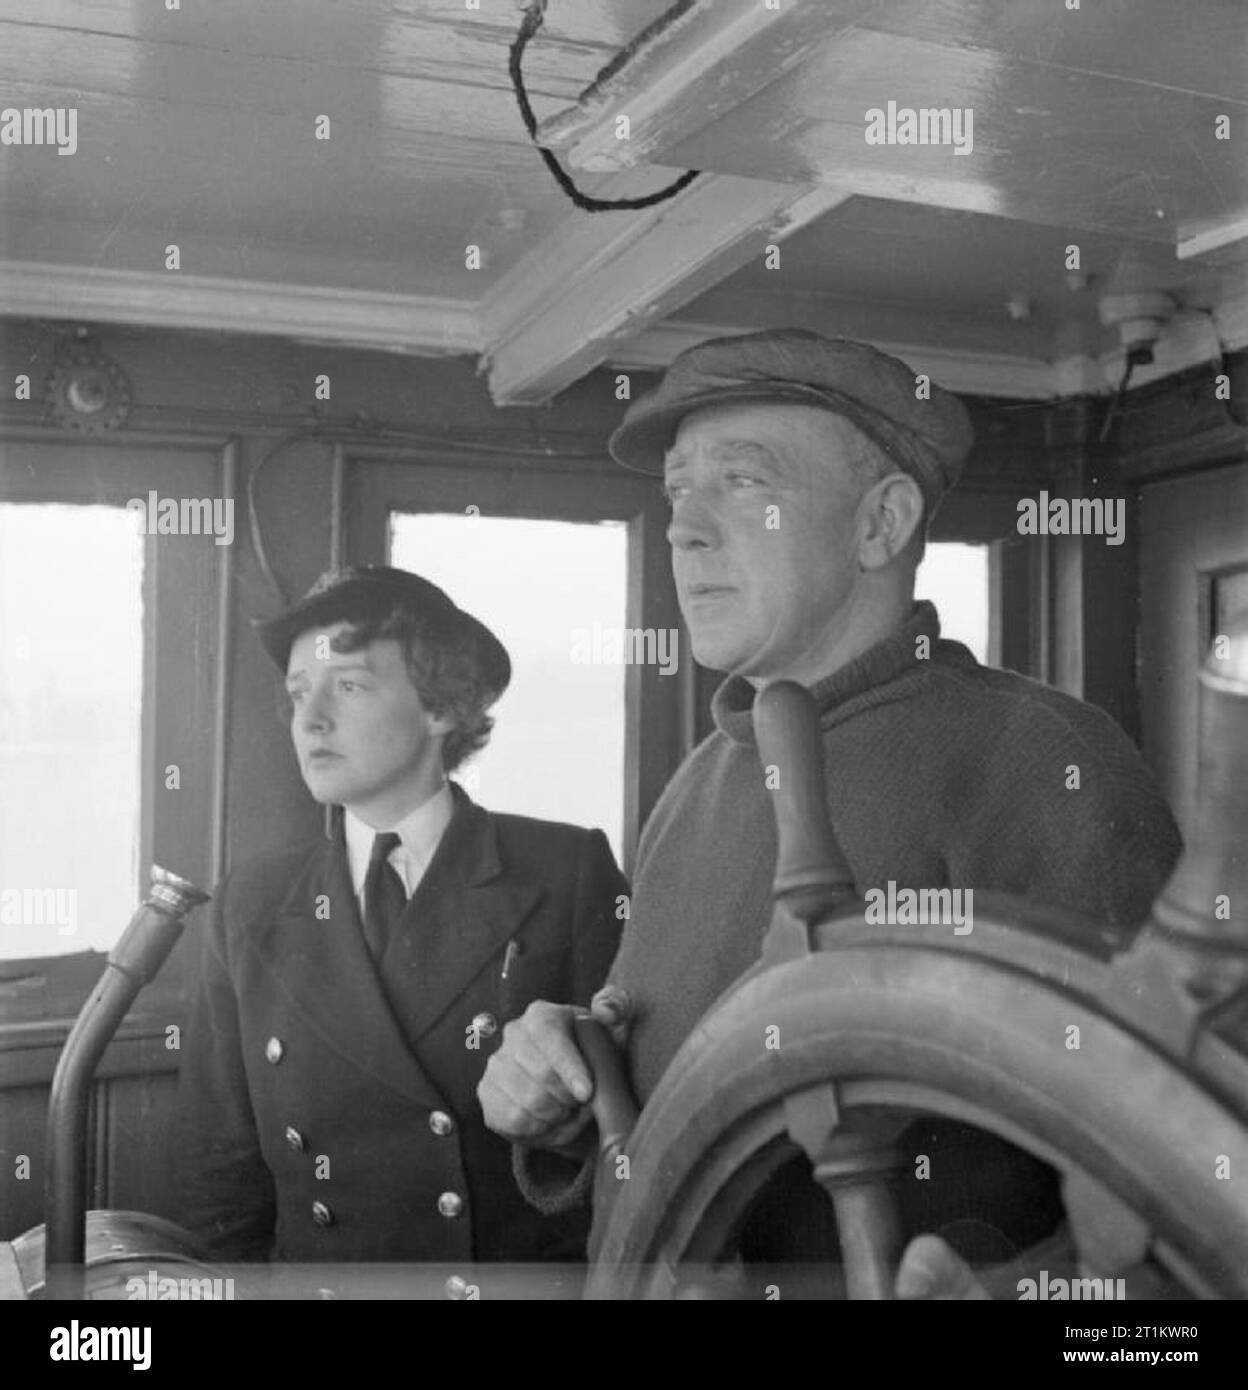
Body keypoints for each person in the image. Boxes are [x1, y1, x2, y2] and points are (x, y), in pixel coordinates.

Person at [478, 328, 1183, 1298]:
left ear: (879, 524)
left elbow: (1192, 1165)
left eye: (740, 481)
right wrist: (562, 1076)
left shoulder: (1044, 759)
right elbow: (662, 1069)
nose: (682, 528)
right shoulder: (698, 781)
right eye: (678, 490)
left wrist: (1024, 1292)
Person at [174, 565, 626, 1291]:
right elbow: (217, 1176)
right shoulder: (249, 904)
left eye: (347, 687)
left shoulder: (566, 871)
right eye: (298, 695)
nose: (311, 719)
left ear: (442, 707)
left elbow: (630, 1140)